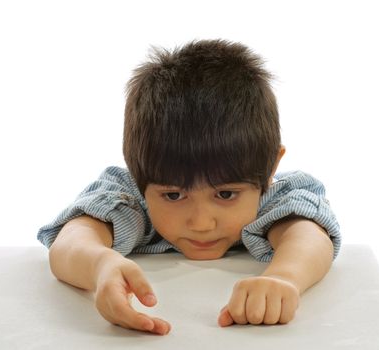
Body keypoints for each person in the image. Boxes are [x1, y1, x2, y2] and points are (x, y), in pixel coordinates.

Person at [37, 39, 341, 336]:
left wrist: (284, 278)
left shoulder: (274, 198)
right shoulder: (130, 198)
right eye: (173, 195)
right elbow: (71, 241)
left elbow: (309, 236)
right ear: (138, 175)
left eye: (225, 194)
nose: (201, 223)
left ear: (270, 169)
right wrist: (100, 265)